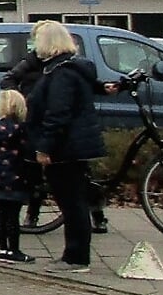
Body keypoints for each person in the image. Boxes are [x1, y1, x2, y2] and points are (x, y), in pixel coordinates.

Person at [23, 20, 105, 273]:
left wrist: (45, 146)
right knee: (73, 200)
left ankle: (76, 258)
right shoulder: (71, 69)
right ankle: (74, 254)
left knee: (71, 201)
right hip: (74, 144)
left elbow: (58, 113)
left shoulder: (61, 73)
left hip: (66, 147)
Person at [0, 88, 36, 264]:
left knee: (1, 215)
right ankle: (14, 250)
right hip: (16, 177)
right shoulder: (21, 130)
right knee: (13, 216)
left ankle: (3, 249)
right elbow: (28, 152)